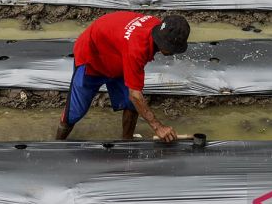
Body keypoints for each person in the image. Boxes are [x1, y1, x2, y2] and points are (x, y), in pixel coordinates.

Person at [55, 11, 190, 142]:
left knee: (131, 104)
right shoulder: (137, 48)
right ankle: (56, 145)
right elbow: (135, 94)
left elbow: (134, 98)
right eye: (172, 49)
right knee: (75, 112)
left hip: (118, 53)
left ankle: (127, 143)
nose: (173, 53)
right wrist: (158, 127)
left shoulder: (157, 26)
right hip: (92, 57)